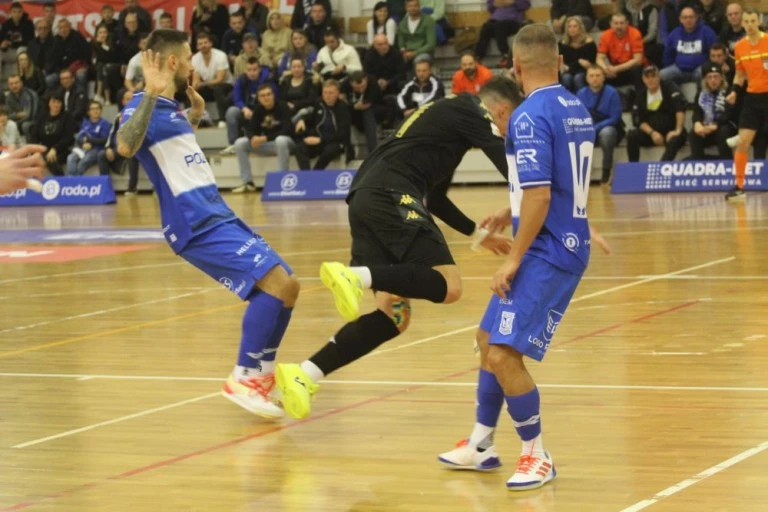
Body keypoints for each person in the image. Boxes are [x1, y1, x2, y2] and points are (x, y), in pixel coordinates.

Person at [273, 75, 522, 420]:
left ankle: (305, 374)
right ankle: (355, 276)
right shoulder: (475, 110)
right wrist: (537, 200)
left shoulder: (450, 121)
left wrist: (478, 235)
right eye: (515, 125)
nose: (512, 134)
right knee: (449, 286)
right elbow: (514, 170)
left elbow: (435, 197)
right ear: (503, 110)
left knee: (393, 317)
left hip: (366, 196)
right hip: (390, 194)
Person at [436, 23, 610, 491]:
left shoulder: (529, 116)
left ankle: (537, 454)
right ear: (559, 60)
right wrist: (508, 210)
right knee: (486, 335)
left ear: (514, 68)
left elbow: (538, 196)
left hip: (548, 253)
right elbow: (555, 186)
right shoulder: (575, 107)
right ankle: (481, 443)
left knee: (503, 354)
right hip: (558, 240)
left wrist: (512, 257)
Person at [116, 29, 300, 417]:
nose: (191, 64)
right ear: (171, 63)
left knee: (289, 286)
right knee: (275, 284)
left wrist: (195, 115)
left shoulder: (172, 109)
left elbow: (177, 154)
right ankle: (243, 377)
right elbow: (125, 146)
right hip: (194, 222)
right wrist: (148, 92)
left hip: (216, 213)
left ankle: (261, 379)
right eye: (186, 58)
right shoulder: (141, 105)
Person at [724, 8, 768, 201]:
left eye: (753, 21)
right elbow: (740, 74)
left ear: (758, 22)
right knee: (743, 143)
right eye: (746, 22)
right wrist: (734, 90)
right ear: (742, 24)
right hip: (752, 99)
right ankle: (739, 187)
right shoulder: (740, 47)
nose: (750, 25)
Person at [232, 84, 297, 192]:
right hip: (270, 144)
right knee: (240, 143)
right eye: (262, 96)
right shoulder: (258, 110)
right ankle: (248, 182)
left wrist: (264, 138)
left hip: (288, 143)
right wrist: (253, 137)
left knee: (280, 140)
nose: (266, 97)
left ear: (273, 95)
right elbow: (250, 129)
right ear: (259, 98)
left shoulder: (283, 106)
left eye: (268, 94)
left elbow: (287, 130)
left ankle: (283, 180)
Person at [626, 65, 687, 162]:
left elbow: (680, 109)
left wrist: (677, 130)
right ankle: (633, 168)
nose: (651, 80)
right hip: (651, 132)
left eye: (653, 76)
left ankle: (662, 167)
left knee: (675, 139)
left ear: (659, 77)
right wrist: (652, 133)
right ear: (643, 79)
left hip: (671, 130)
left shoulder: (670, 87)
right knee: (632, 135)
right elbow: (638, 120)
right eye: (647, 77)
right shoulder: (641, 95)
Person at [577, 65, 623, 183]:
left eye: (598, 75)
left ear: (603, 78)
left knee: (607, 134)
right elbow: (577, 116)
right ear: (587, 78)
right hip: (588, 128)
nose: (595, 79)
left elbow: (615, 117)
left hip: (608, 128)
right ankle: (580, 172)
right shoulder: (580, 94)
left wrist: (596, 127)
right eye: (591, 76)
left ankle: (606, 171)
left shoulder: (612, 93)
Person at [293, 79, 350, 170]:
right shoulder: (319, 103)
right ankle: (305, 175)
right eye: (325, 93)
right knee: (299, 147)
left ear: (337, 93)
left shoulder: (343, 108)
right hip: (319, 141)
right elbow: (311, 117)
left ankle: (316, 173)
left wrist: (321, 139)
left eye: (331, 93)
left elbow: (343, 134)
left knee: (330, 150)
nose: (327, 96)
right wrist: (302, 120)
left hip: (335, 142)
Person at [689, 62, 737, 160]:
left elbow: (729, 114)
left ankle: (727, 164)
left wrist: (715, 125)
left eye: (716, 77)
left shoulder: (730, 92)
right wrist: (697, 123)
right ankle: (698, 165)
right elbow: (696, 112)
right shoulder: (701, 94)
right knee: (694, 133)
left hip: (725, 126)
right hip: (707, 127)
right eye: (709, 77)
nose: (713, 80)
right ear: (705, 80)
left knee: (723, 132)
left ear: (722, 78)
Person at [660, 7, 717, 85]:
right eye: (685, 17)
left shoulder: (707, 32)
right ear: (680, 19)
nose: (688, 20)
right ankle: (676, 95)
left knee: (704, 73)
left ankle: (700, 96)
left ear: (696, 18)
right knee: (662, 75)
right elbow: (668, 54)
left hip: (698, 70)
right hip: (678, 69)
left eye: (691, 17)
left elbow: (715, 51)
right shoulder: (674, 33)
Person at [99, 89, 141, 195]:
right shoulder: (119, 116)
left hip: (135, 147)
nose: (130, 101)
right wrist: (108, 147)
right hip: (120, 148)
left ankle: (132, 188)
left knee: (133, 154)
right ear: (123, 102)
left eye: (133, 99)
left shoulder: (141, 115)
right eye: (127, 99)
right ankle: (106, 188)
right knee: (102, 154)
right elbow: (112, 133)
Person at [66, 101, 112, 176]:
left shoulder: (105, 124)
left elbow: (104, 140)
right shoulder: (85, 123)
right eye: (93, 109)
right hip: (84, 149)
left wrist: (89, 140)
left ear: (101, 110)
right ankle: (73, 182)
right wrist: (83, 143)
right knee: (70, 158)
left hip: (97, 149)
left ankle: (75, 183)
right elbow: (79, 137)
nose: (95, 111)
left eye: (98, 108)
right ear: (88, 112)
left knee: (83, 163)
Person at [558, 16, 596, 92]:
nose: (572, 29)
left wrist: (573, 66)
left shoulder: (588, 43)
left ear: (580, 28)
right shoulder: (562, 43)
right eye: (569, 27)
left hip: (584, 70)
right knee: (566, 78)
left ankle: (582, 101)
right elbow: (559, 61)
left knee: (578, 78)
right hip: (568, 70)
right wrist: (564, 66)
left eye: (575, 26)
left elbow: (590, 63)